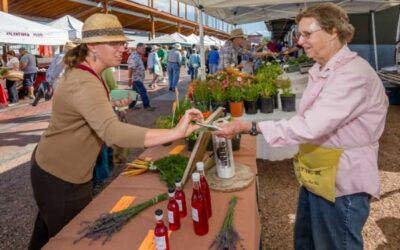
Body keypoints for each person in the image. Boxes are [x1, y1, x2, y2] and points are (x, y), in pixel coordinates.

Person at [213, 3, 388, 250]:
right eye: (299, 34)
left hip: (343, 182)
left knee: (334, 243)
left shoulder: (353, 74)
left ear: (333, 31)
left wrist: (250, 127)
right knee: (306, 241)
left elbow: (311, 126)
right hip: (319, 173)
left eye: (307, 34)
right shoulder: (322, 68)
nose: (300, 41)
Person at [28, 13, 203, 250]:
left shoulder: (87, 72)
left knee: (47, 235)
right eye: (115, 43)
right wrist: (175, 132)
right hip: (61, 176)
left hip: (54, 168)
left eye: (123, 42)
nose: (123, 48)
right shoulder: (84, 80)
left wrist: (108, 105)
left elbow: (85, 108)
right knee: (71, 241)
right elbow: (112, 132)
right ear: (92, 46)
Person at [127, 43, 155, 111]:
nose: (144, 50)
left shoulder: (138, 55)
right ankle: (147, 106)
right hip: (137, 79)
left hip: (138, 78)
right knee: (143, 91)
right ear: (138, 48)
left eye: (145, 48)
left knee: (134, 93)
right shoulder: (134, 56)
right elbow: (130, 68)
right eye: (143, 48)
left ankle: (131, 106)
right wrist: (129, 79)